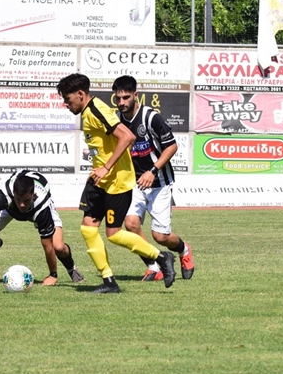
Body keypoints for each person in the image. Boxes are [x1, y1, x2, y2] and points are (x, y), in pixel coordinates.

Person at [56, 73, 176, 294]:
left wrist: (106, 167)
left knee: (114, 234)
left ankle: (161, 257)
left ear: (80, 94)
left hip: (117, 182)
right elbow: (107, 144)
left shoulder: (96, 110)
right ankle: (109, 281)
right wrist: (98, 165)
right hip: (99, 181)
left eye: (67, 98)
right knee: (87, 229)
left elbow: (128, 137)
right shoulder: (88, 112)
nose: (65, 103)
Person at [112, 75, 195, 281]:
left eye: (126, 97)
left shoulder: (150, 117)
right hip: (134, 183)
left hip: (159, 182)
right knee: (131, 225)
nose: (122, 102)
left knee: (161, 237)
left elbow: (172, 146)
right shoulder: (116, 120)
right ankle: (154, 266)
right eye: (118, 98)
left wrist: (153, 171)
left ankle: (183, 250)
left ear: (136, 95)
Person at [0, 170, 85, 286]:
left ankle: (71, 269)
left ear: (33, 194)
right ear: (13, 193)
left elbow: (47, 245)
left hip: (36, 210)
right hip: (10, 209)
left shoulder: (42, 205)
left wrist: (53, 274)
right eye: (18, 199)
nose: (22, 205)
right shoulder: (2, 196)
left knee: (58, 247)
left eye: (26, 200)